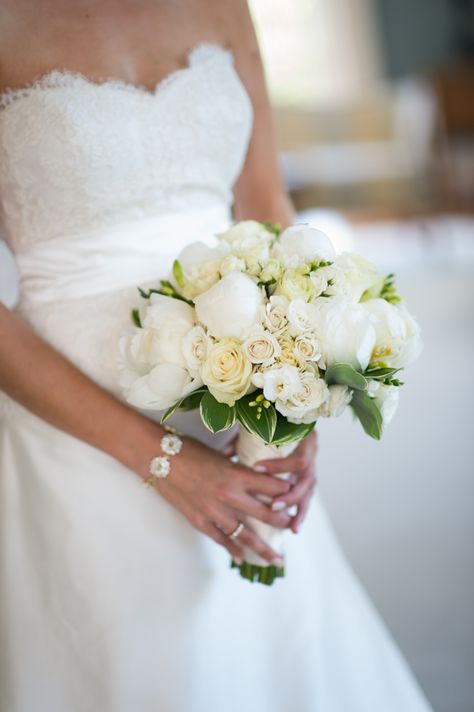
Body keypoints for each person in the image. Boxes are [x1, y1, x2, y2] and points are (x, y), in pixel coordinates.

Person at [0, 1, 433, 710]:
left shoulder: (224, 6)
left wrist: (296, 394)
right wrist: (159, 458)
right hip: (75, 437)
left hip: (242, 401)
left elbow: (264, 202)